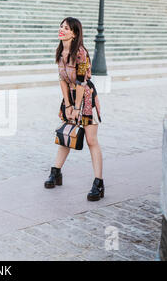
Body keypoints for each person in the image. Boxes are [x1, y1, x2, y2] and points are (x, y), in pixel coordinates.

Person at [44, 17, 104, 201]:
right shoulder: (61, 51)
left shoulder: (81, 53)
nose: (61, 30)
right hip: (70, 98)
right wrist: (68, 105)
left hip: (85, 98)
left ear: (75, 33)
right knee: (66, 135)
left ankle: (98, 183)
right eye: (61, 26)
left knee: (91, 139)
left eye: (66, 28)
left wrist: (77, 107)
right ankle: (56, 172)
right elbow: (62, 79)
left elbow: (81, 81)